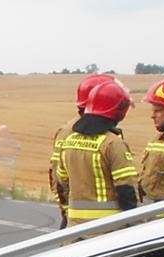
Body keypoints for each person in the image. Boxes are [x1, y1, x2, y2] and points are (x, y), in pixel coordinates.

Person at [57, 80, 140, 225]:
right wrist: (134, 223)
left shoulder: (68, 141)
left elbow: (61, 182)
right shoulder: (113, 144)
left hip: (74, 226)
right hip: (106, 229)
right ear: (120, 111)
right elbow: (126, 188)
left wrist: (67, 211)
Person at [51, 74, 120, 227]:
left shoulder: (75, 129)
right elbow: (58, 178)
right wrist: (67, 210)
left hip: (78, 216)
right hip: (92, 220)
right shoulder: (74, 132)